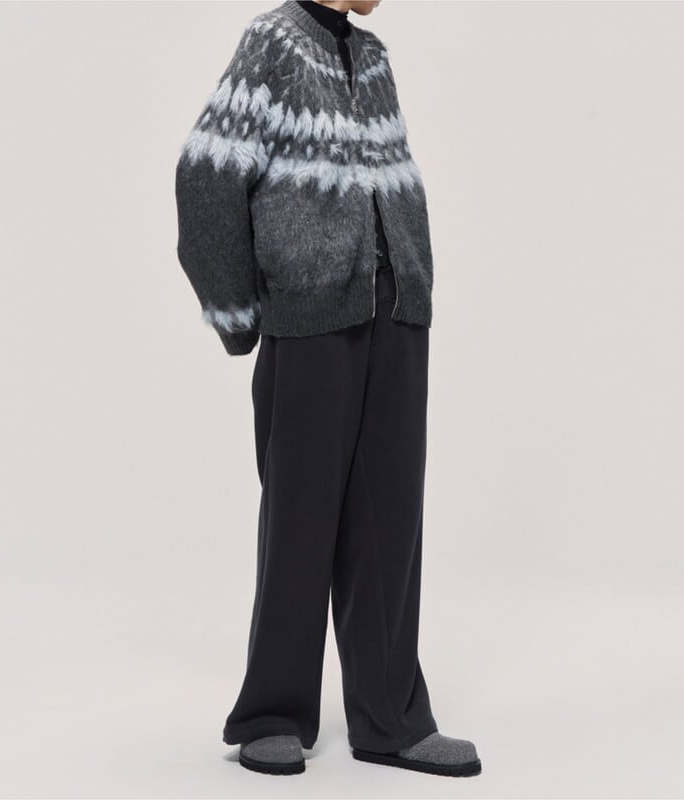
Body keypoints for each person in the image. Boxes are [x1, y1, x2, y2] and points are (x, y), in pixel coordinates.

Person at [174, 0, 481, 778]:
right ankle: (271, 714)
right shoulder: (273, 43)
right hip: (310, 321)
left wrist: (414, 282)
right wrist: (240, 314)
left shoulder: (372, 58)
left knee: (391, 523)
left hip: (396, 315)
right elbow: (205, 173)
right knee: (300, 519)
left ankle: (390, 720)